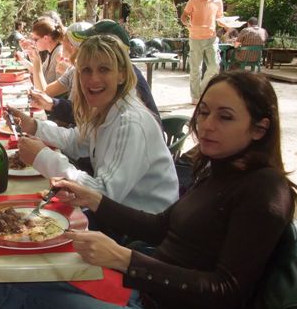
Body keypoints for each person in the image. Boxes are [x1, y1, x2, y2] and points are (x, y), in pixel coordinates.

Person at [0, 71, 297, 309]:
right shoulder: (220, 167)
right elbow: (162, 227)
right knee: (15, 275)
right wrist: (94, 200)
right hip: (144, 295)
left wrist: (124, 259)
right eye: (203, 112)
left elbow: (225, 291)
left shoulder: (264, 191)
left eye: (225, 117)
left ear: (259, 128)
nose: (207, 125)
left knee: (22, 298)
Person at [11, 34, 177, 214]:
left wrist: (43, 157)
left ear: (121, 75)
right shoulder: (107, 108)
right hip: (117, 214)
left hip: (140, 225)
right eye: (86, 70)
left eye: (104, 69)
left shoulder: (130, 123)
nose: (93, 79)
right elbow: (76, 140)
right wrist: (33, 126)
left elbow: (104, 195)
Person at [30, 20, 160, 127]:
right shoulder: (78, 70)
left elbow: (85, 119)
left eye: (104, 69)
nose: (94, 78)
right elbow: (87, 120)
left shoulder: (128, 118)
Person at [180, 0, 224, 105]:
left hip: (211, 38)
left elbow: (220, 20)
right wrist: (187, 24)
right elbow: (183, 16)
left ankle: (201, 91)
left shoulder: (218, 2)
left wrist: (229, 25)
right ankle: (195, 97)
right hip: (195, 38)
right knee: (195, 70)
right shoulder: (193, 0)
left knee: (214, 67)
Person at [17, 16, 65, 85]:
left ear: (46, 38)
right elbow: (39, 72)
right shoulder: (51, 52)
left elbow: (57, 89)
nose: (33, 42)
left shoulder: (59, 55)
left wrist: (35, 59)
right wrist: (23, 60)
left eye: (35, 39)